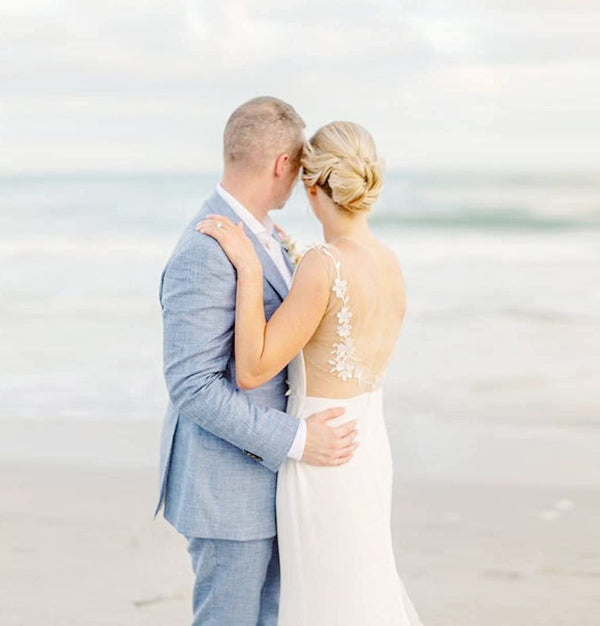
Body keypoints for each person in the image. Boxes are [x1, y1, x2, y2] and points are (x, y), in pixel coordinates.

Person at [198, 120, 424, 625]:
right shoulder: (387, 262)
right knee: (361, 586)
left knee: (325, 598)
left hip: (322, 451)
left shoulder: (324, 264)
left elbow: (253, 369)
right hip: (368, 446)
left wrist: (251, 268)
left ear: (310, 182)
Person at [154, 97, 360, 626]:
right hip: (228, 491)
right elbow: (193, 386)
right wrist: (297, 439)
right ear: (281, 164)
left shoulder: (261, 233)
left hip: (268, 482)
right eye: (300, 164)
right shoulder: (206, 248)